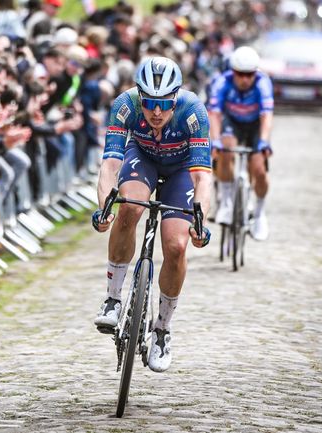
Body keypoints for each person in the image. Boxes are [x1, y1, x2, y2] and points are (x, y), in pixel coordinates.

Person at [91, 57, 212, 373]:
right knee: (129, 206)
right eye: (149, 103)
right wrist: (105, 207)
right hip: (142, 158)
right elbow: (110, 165)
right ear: (139, 96)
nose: (156, 112)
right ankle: (113, 299)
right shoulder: (125, 105)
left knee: (176, 247)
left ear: (175, 98)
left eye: (163, 104)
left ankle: (161, 329)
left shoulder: (193, 111)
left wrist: (201, 221)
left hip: (182, 171)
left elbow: (203, 177)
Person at [207, 46, 274, 241]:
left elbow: (267, 115)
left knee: (259, 169)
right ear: (232, 71)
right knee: (225, 149)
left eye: (249, 75)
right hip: (232, 123)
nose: (245, 79)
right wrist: (216, 141)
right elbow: (215, 114)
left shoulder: (263, 83)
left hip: (254, 126)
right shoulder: (223, 82)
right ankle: (227, 202)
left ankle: (260, 213)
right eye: (240, 74)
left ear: (256, 73)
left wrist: (263, 142)